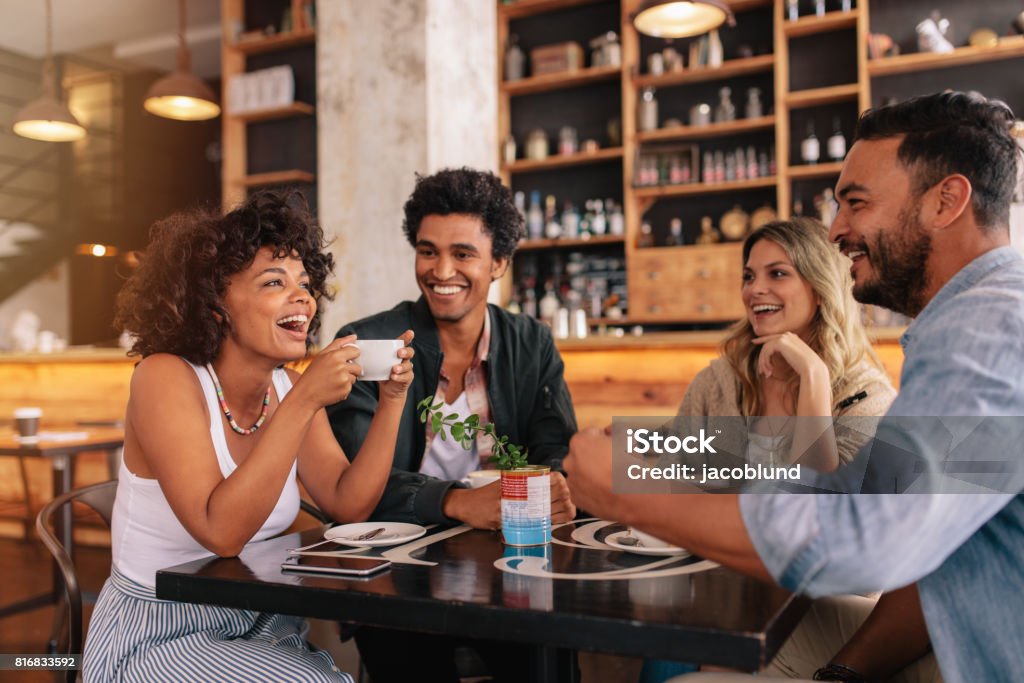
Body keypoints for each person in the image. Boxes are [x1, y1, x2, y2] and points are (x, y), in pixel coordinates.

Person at [564, 90, 1024, 682]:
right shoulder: (730, 373)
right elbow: (701, 459)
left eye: (855, 203)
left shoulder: (914, 368)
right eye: (749, 275)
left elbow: (861, 548)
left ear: (946, 202)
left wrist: (627, 487)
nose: (838, 228)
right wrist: (637, 456)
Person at [82, 191, 415, 683]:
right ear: (216, 304)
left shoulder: (288, 386)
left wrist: (392, 401)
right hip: (156, 634)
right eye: (274, 282)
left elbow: (349, 504)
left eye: (304, 283)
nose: (302, 296)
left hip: (261, 619)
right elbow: (221, 532)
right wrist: (304, 404)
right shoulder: (165, 378)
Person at [327, 167, 578, 682]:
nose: (442, 270)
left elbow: (556, 448)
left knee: (548, 663)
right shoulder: (367, 344)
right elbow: (352, 482)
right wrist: (456, 502)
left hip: (510, 561)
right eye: (427, 251)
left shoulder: (531, 343)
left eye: (463, 254)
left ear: (499, 262)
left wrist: (553, 487)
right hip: (395, 568)